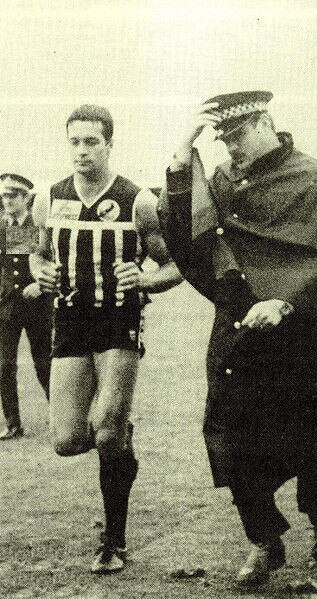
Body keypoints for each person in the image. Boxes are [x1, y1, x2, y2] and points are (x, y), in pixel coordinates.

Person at [158, 91, 317, 585]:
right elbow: (187, 236)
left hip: (302, 330)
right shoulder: (223, 182)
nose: (232, 147)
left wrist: (285, 302)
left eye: (239, 133)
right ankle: (264, 539)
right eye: (224, 138)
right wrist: (182, 162)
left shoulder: (316, 179)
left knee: (311, 439)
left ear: (266, 121)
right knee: (228, 435)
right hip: (238, 326)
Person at [30, 105, 182, 574]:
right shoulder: (48, 198)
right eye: (74, 142)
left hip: (119, 320)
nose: (81, 151)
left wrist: (145, 279)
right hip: (71, 320)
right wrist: (44, 271)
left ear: (109, 144)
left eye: (91, 142)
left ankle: (113, 540)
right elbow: (37, 255)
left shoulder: (136, 200)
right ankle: (122, 441)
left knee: (107, 428)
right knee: (68, 440)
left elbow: (177, 265)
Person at [0, 172, 52, 440]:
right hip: (8, 306)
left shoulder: (39, 225)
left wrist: (41, 285)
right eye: (4, 196)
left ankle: (61, 419)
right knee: (4, 365)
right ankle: (13, 423)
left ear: (25, 198)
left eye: (12, 195)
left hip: (37, 305)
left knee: (44, 364)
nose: (6, 200)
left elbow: (49, 260)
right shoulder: (1, 225)